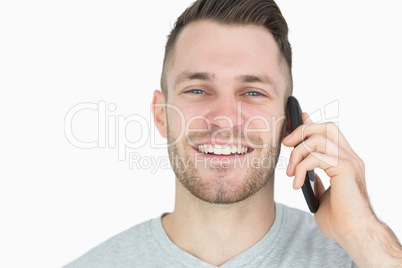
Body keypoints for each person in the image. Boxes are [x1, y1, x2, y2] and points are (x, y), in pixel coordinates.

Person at [64, 0, 402, 267]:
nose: (225, 120)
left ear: (289, 120)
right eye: (197, 90)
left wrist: (364, 233)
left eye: (253, 92)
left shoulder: (362, 258)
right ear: (161, 114)